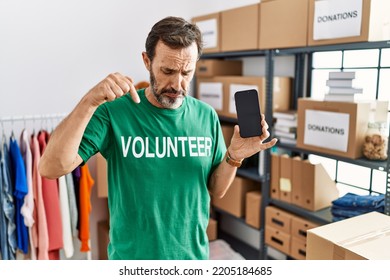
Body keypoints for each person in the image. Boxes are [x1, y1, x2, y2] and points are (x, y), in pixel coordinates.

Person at [39, 16, 277, 260]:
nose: (177, 83)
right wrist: (89, 101)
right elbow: (50, 167)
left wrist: (234, 156)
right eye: (167, 71)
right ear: (147, 61)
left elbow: (216, 189)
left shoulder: (206, 116)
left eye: (187, 72)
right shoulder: (114, 112)